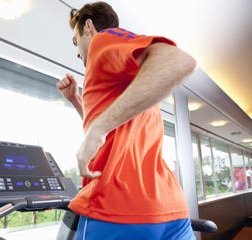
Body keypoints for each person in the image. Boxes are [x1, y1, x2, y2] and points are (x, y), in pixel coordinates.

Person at [56, 2, 197, 239]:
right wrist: (76, 100)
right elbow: (109, 132)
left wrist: (98, 127)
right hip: (168, 206)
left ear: (88, 27)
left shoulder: (103, 40)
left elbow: (179, 61)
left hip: (117, 205)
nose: (77, 52)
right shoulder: (131, 84)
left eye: (75, 41)